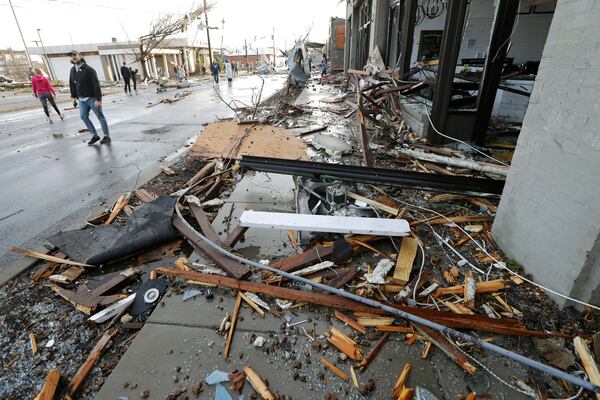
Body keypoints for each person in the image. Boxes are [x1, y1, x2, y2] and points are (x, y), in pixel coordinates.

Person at [68, 50, 110, 145]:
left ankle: (106, 136)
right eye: (71, 56)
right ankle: (95, 135)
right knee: (83, 116)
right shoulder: (72, 70)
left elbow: (96, 85)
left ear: (80, 56)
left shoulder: (89, 69)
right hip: (82, 100)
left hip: (92, 98)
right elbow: (72, 84)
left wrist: (98, 99)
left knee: (100, 117)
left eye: (75, 55)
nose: (73, 57)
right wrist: (73, 97)